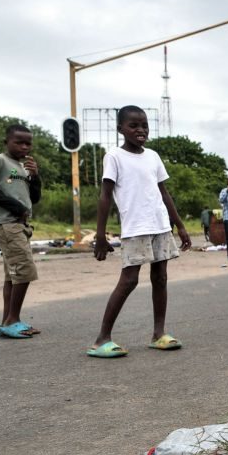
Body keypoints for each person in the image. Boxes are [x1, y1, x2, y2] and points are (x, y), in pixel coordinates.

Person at [87, 105, 192, 358]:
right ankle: (101, 339)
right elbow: (105, 196)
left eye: (144, 125)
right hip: (135, 227)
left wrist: (180, 226)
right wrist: (100, 236)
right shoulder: (114, 156)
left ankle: (159, 334)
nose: (140, 130)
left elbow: (164, 193)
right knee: (129, 280)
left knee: (160, 278)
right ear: (120, 128)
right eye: (133, 125)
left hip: (160, 225)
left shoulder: (153, 156)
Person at [0, 124, 42, 339]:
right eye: (19, 142)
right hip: (6, 224)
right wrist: (17, 208)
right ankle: (13, 320)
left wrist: (35, 177)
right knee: (24, 270)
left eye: (28, 143)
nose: (24, 146)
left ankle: (8, 321)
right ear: (7, 142)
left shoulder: (23, 168)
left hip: (19, 225)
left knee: (12, 275)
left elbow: (34, 198)